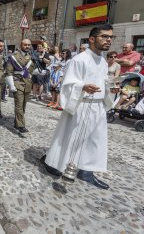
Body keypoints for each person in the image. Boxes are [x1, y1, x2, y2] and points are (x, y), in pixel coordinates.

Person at [41, 24, 115, 190]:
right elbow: (67, 84)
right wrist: (82, 87)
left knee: (94, 140)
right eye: (104, 36)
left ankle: (86, 170)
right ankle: (55, 163)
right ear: (92, 39)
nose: (108, 40)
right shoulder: (79, 59)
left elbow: (102, 81)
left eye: (111, 37)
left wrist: (111, 87)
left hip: (97, 106)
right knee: (71, 139)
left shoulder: (103, 61)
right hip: (80, 105)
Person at [5, 39, 37, 134]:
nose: (27, 46)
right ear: (21, 45)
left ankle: (16, 122)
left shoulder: (31, 57)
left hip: (27, 84)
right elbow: (9, 72)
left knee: (23, 106)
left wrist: (40, 72)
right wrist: (11, 85)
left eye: (29, 45)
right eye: (25, 45)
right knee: (19, 105)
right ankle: (21, 125)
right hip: (17, 83)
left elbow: (31, 71)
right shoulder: (14, 57)